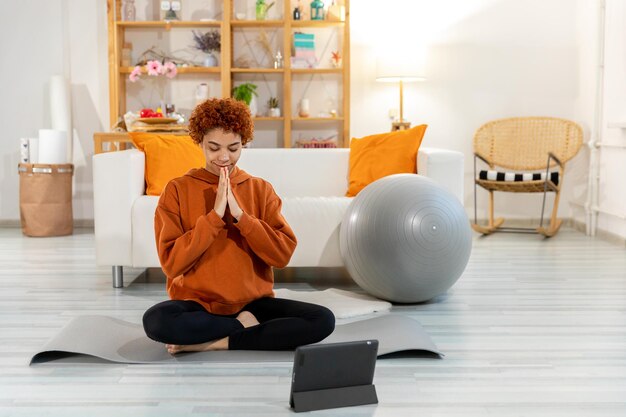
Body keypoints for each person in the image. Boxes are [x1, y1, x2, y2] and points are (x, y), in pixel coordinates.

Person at [142, 98, 335, 354]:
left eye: (233, 148)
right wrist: (214, 217)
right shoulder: (177, 190)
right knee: (156, 321)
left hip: (254, 306)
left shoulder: (260, 189)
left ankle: (218, 341)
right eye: (214, 148)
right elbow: (172, 264)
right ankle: (241, 328)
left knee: (323, 320)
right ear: (199, 142)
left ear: (243, 143)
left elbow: (282, 255)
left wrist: (241, 217)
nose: (224, 157)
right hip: (199, 305)